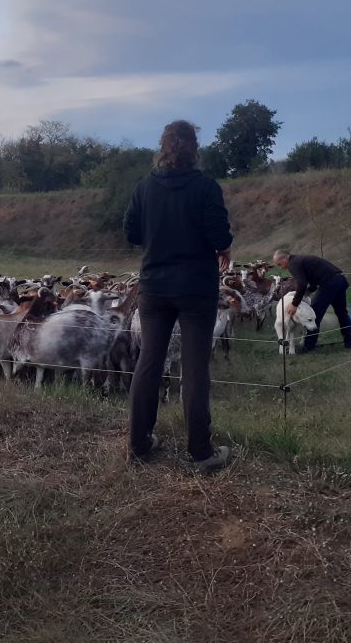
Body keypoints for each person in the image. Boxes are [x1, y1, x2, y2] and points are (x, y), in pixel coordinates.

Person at [123, 120, 232, 472]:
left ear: (163, 146)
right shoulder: (206, 187)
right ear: (194, 148)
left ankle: (139, 444)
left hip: (154, 288)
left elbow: (131, 232)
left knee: (149, 361)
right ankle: (201, 452)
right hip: (196, 289)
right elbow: (219, 235)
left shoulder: (144, 187)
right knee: (195, 367)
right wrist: (224, 248)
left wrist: (159, 233)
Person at [271, 249, 351, 352]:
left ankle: (308, 347)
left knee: (313, 313)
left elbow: (301, 284)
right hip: (340, 280)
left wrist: (294, 304)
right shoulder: (300, 260)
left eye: (279, 264)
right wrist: (309, 291)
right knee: (342, 313)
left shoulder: (293, 264)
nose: (280, 267)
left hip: (329, 284)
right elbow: (314, 277)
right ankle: (350, 343)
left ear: (285, 258)